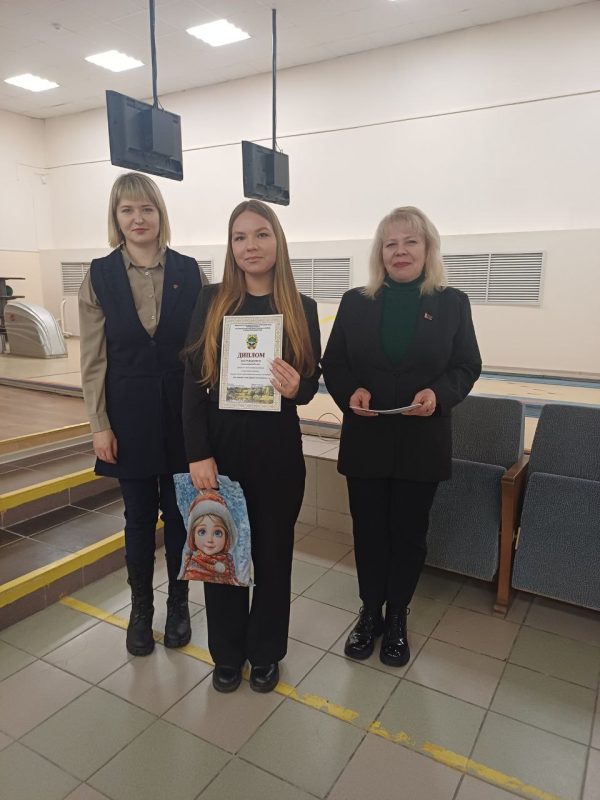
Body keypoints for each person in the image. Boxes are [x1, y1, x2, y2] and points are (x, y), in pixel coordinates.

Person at [322, 206, 481, 667]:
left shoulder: (452, 303)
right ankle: (369, 612)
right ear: (380, 252)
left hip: (421, 443)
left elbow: (466, 365)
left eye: (411, 241)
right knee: (369, 532)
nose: (400, 251)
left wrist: (439, 393)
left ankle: (396, 617)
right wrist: (351, 391)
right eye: (390, 243)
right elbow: (335, 363)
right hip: (367, 440)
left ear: (428, 248)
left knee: (409, 535)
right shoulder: (356, 302)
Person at [183, 199, 321, 693]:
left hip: (277, 455)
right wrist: (197, 452)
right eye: (239, 237)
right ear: (230, 246)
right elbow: (192, 383)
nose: (250, 246)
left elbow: (310, 383)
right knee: (219, 555)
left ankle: (265, 652)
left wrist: (297, 387)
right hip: (221, 453)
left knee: (274, 557)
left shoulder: (301, 307)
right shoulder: (212, 300)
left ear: (277, 240)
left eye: (261, 234)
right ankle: (227, 654)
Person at [78, 172, 203, 657]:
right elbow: (93, 359)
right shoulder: (99, 275)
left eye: (146, 208)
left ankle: (178, 604)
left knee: (179, 517)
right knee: (137, 519)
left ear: (159, 213)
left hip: (180, 415)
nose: (138, 218)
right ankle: (141, 609)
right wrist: (99, 425)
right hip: (126, 418)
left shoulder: (189, 272)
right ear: (116, 217)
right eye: (127, 210)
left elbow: (203, 351)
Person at [182, 491, 240, 585]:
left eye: (217, 533)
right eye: (202, 532)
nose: (209, 540)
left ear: (227, 537)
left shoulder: (230, 562)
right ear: (192, 536)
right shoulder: (193, 568)